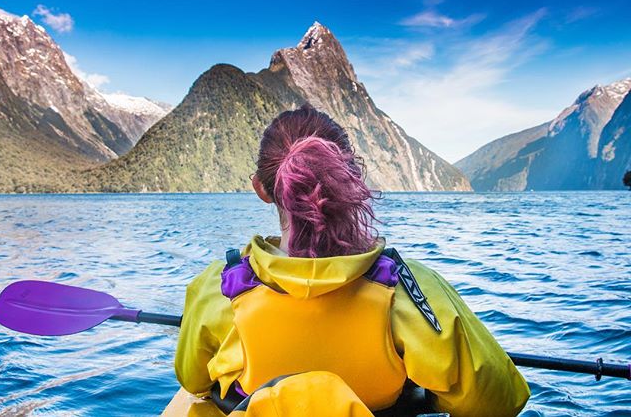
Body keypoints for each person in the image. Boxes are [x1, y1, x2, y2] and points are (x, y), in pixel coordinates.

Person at [163, 105, 530, 417]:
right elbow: (500, 401)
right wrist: (423, 394)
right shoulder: (408, 286)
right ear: (349, 176)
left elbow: (192, 379)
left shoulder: (219, 287)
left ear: (261, 189)